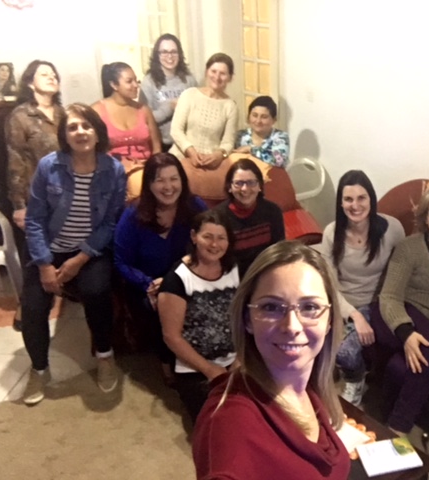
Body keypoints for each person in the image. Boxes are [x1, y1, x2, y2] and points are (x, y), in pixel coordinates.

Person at [192, 240, 350, 480]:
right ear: (248, 319)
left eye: (310, 306)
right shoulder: (229, 421)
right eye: (271, 307)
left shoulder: (308, 390)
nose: (292, 326)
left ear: (330, 320)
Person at [20, 103, 127, 405]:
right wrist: (44, 265)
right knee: (32, 306)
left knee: (97, 291)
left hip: (89, 250)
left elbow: (110, 223)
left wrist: (80, 259)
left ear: (97, 132)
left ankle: (105, 355)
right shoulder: (49, 167)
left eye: (86, 126)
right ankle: (39, 369)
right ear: (64, 135)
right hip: (48, 250)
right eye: (73, 127)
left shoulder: (114, 170)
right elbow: (34, 219)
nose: (80, 132)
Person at [373, 185, 429, 435]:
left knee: (400, 367)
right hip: (395, 312)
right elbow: (390, 296)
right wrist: (406, 333)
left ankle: (381, 421)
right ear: (425, 217)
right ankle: (398, 428)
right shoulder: (409, 247)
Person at [114, 152, 207, 384]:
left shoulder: (195, 206)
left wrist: (174, 279)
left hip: (188, 275)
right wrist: (147, 284)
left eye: (174, 179)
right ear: (149, 184)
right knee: (160, 306)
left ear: (182, 180)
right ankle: (167, 362)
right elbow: (121, 261)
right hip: (146, 284)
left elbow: (208, 244)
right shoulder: (133, 214)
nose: (168, 187)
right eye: (160, 180)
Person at [320, 170, 405, 406]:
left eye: (361, 198)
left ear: (371, 199)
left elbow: (402, 272)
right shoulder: (331, 233)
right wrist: (354, 315)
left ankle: (355, 380)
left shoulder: (392, 228)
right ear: (340, 203)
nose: (355, 205)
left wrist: (372, 312)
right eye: (348, 199)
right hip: (341, 302)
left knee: (345, 352)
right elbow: (328, 284)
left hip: (377, 302)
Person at [158, 210, 239, 421]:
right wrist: (210, 369)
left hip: (237, 360)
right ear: (194, 237)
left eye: (221, 238)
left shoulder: (235, 268)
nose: (214, 244)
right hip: (195, 368)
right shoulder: (176, 279)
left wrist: (241, 358)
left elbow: (245, 318)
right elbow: (171, 337)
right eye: (207, 237)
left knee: (258, 413)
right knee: (217, 423)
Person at [4, 59, 63, 331]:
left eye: (54, 74)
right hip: (36, 199)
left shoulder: (63, 114)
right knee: (36, 260)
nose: (52, 77)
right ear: (30, 82)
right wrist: (19, 205)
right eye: (44, 74)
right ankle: (26, 311)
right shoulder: (20, 117)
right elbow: (15, 162)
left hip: (64, 197)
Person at [169, 53, 238, 203]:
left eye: (223, 73)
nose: (217, 77)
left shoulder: (230, 106)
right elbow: (176, 130)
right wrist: (191, 152)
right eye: (214, 71)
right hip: (182, 156)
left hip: (212, 163)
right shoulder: (189, 95)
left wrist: (219, 155)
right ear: (207, 71)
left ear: (230, 77)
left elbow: (228, 142)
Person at [92, 62, 161, 200]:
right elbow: (94, 150)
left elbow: (157, 147)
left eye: (136, 81)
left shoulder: (143, 110)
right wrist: (120, 164)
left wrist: (152, 167)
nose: (136, 85)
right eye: (129, 81)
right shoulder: (97, 110)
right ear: (114, 85)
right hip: (112, 169)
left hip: (146, 168)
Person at [214, 158, 285, 277]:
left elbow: (278, 252)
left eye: (251, 183)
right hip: (230, 279)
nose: (244, 189)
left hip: (265, 275)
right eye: (239, 183)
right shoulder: (217, 217)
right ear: (229, 187)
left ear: (260, 186)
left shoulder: (273, 212)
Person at [139, 33, 197, 152]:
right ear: (157, 55)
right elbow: (144, 119)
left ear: (179, 54)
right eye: (164, 52)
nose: (170, 56)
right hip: (163, 144)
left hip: (189, 143)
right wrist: (169, 108)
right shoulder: (148, 82)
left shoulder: (189, 79)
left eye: (174, 52)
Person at [234, 95, 290, 168]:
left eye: (264, 117)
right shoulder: (240, 136)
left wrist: (251, 149)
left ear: (274, 120)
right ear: (248, 117)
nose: (258, 121)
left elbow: (279, 161)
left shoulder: (280, 136)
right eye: (254, 115)